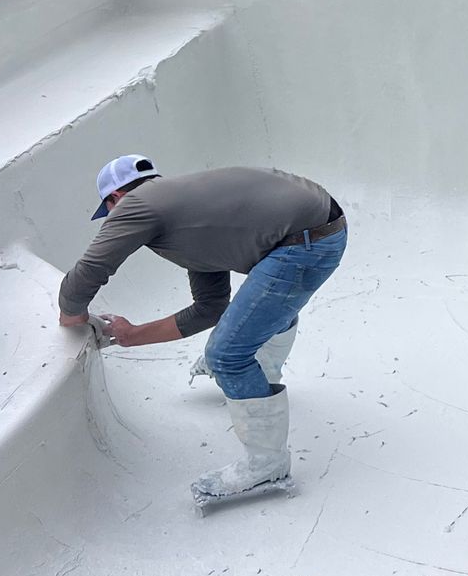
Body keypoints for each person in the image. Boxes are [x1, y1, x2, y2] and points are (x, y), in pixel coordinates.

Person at [56, 155, 347, 505]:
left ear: (114, 200)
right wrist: (131, 335)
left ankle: (267, 464)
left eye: (110, 213)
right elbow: (210, 307)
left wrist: (70, 317)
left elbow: (89, 271)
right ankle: (259, 378)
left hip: (305, 242)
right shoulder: (189, 208)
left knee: (226, 355)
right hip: (321, 227)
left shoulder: (137, 204)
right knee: (254, 324)